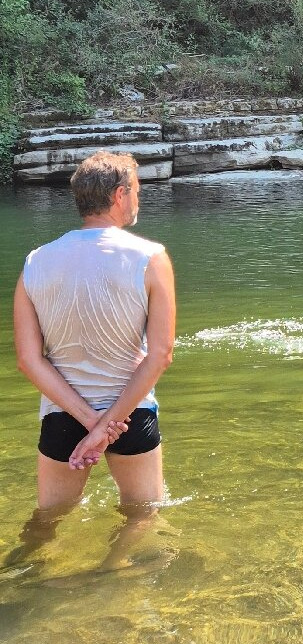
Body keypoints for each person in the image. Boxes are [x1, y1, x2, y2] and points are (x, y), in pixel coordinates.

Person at [10, 151, 176, 570]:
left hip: (63, 417)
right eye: (136, 191)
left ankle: (17, 577)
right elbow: (160, 354)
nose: (137, 199)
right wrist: (106, 426)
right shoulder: (151, 257)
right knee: (142, 514)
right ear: (120, 195)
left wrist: (89, 422)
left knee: (46, 521)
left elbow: (30, 361)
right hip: (131, 414)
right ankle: (108, 573)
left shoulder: (35, 261)